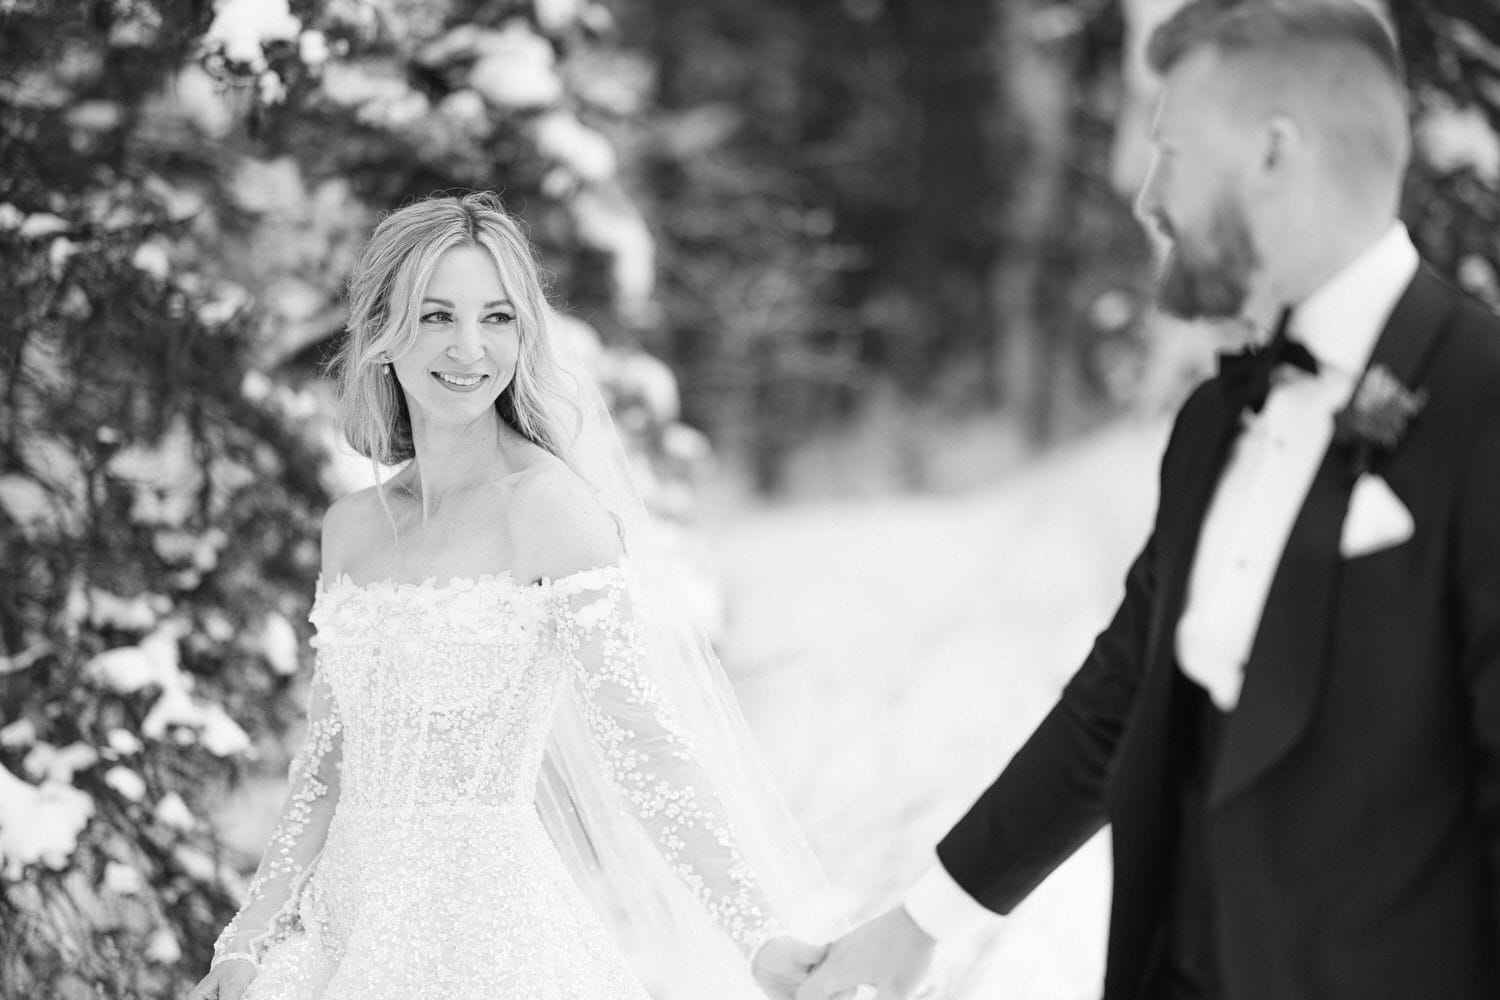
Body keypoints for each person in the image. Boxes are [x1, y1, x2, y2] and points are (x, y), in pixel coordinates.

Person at [794, 1, 1500, 998]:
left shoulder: (1483, 403)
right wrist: (922, 921)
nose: (1145, 194)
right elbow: (1124, 697)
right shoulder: (1218, 418)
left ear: (1272, 152)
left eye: (1170, 149)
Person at [185, 192, 837, 1000]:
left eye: (497, 317)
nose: (469, 348)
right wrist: (247, 941)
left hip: (487, 945)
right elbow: (324, 768)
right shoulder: (350, 529)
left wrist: (758, 935)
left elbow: (645, 747)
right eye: (436, 316)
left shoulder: (547, 509)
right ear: (385, 333)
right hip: (341, 939)